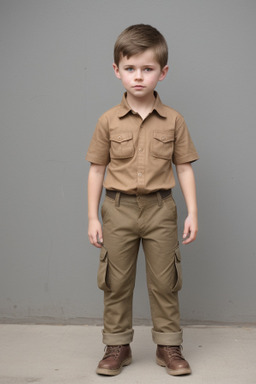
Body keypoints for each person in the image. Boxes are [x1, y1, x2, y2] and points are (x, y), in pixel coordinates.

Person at [86, 24, 199, 377]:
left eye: (147, 69)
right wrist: (93, 217)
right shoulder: (107, 120)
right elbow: (96, 171)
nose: (138, 77)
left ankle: (169, 346)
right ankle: (117, 344)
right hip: (117, 210)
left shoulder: (174, 120)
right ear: (117, 71)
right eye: (130, 68)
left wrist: (193, 211)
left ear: (162, 73)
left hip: (161, 210)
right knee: (116, 281)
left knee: (165, 281)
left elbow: (183, 169)